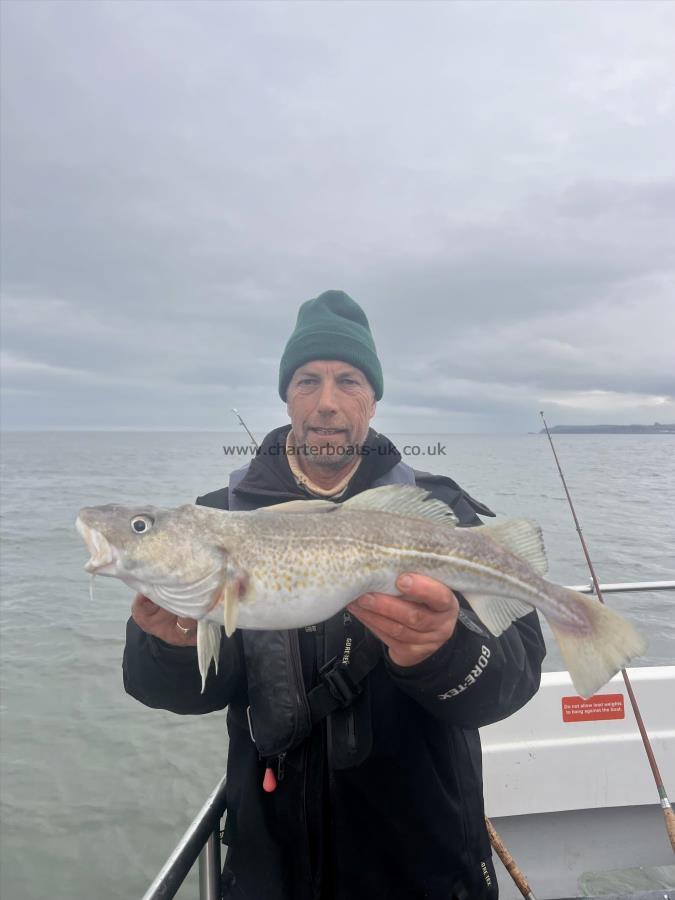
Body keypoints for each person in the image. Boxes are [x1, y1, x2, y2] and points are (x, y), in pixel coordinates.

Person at [123, 290, 546, 900]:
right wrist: (166, 642)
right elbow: (183, 693)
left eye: (348, 381)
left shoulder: (442, 513)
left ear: (372, 399)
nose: (326, 402)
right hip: (273, 865)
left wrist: (442, 650)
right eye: (307, 380)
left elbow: (513, 679)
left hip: (423, 864)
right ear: (285, 395)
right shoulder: (216, 522)